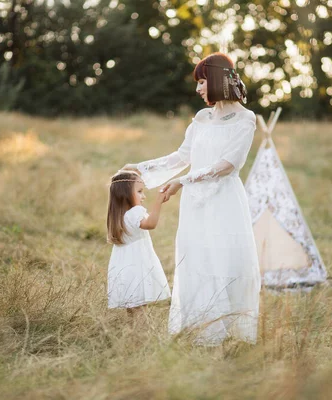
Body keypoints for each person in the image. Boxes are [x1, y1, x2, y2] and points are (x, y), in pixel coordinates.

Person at [121, 52, 261, 345]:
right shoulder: (202, 118)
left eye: (201, 81)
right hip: (195, 204)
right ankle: (201, 329)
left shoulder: (246, 119)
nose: (198, 89)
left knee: (224, 259)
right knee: (197, 258)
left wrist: (182, 181)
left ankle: (227, 334)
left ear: (218, 80)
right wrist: (140, 168)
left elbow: (228, 165)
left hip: (224, 201)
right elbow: (181, 157)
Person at [106, 171, 171, 312]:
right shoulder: (135, 212)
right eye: (140, 191)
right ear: (126, 194)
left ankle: (133, 333)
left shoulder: (119, 215)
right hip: (138, 266)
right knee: (140, 308)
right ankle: (140, 333)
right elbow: (150, 224)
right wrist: (158, 202)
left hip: (124, 266)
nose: (144, 196)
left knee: (133, 308)